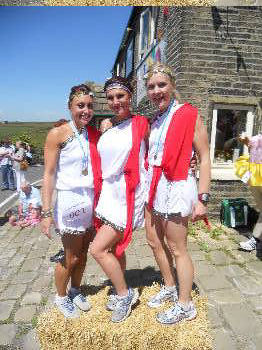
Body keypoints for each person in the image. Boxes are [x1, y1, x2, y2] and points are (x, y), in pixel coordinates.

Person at [144, 63, 211, 325]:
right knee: (157, 242)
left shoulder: (189, 114)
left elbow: (204, 157)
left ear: (172, 86)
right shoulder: (156, 120)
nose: (157, 90)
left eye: (162, 85)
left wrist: (202, 198)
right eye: (151, 87)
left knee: (178, 248)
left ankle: (186, 305)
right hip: (157, 185)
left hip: (177, 186)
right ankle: (171, 288)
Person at [90, 76, 149, 323]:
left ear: (130, 96)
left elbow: (164, 144)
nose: (116, 102)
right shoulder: (107, 125)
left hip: (128, 195)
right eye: (111, 98)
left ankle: (126, 294)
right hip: (109, 194)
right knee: (113, 249)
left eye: (121, 96)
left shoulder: (142, 124)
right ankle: (119, 286)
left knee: (97, 249)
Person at [41, 83, 102, 319]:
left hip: (90, 198)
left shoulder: (92, 133)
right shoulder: (58, 134)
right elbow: (48, 174)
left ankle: (75, 290)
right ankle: (61, 296)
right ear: (69, 107)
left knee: (85, 253)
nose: (85, 110)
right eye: (80, 106)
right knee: (70, 255)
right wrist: (46, 213)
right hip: (69, 200)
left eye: (89, 106)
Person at [236, 133, 262, 256]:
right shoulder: (257, 138)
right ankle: (256, 240)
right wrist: (247, 141)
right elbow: (253, 147)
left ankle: (256, 240)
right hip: (255, 177)